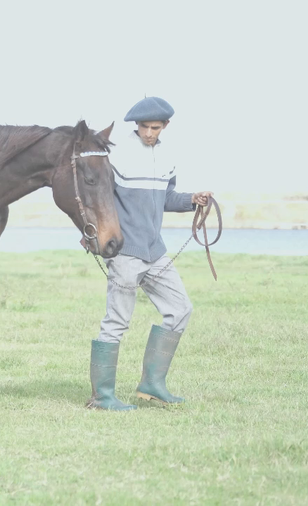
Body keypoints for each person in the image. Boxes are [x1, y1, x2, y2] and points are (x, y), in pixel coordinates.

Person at [86, 96, 213, 411]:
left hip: (155, 251)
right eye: (144, 126)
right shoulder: (115, 155)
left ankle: (152, 386)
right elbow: (95, 199)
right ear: (136, 125)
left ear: (165, 126)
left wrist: (191, 200)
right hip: (125, 252)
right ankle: (102, 397)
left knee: (181, 309)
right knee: (117, 321)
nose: (149, 132)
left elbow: (166, 198)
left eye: (155, 127)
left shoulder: (168, 155)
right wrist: (94, 236)